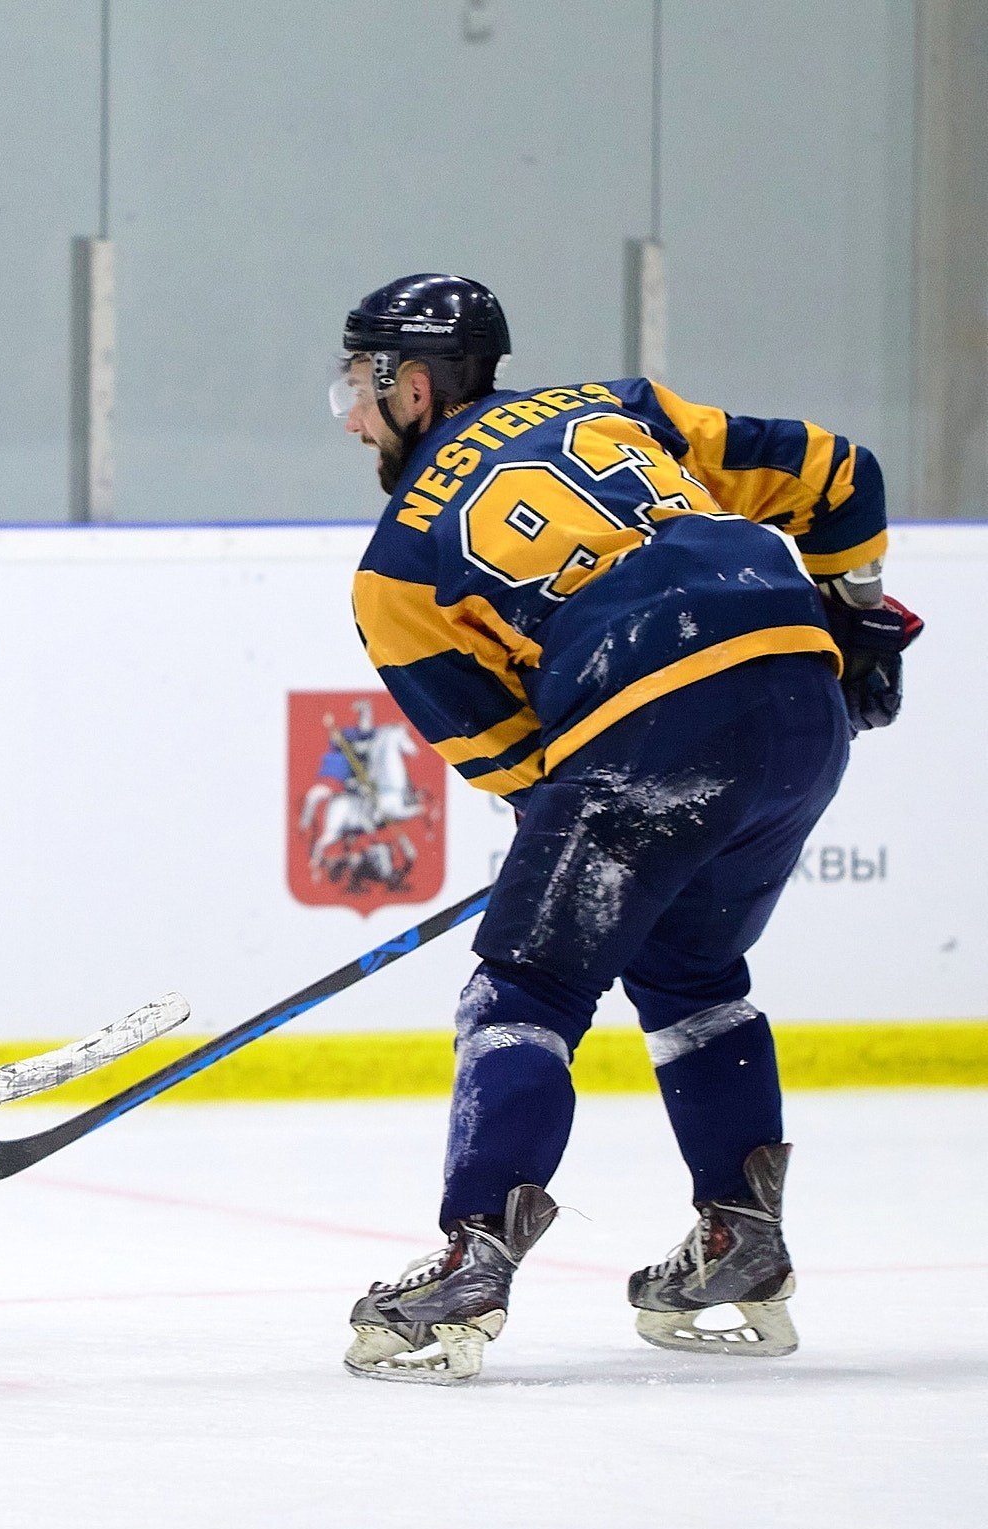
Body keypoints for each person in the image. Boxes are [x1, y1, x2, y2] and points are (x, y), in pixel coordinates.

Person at [327, 273, 923, 1384]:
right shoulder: (617, 409)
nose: (352, 416)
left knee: (524, 988)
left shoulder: (397, 568)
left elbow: (517, 764)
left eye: (356, 389)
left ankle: (471, 1261)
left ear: (409, 385)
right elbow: (841, 473)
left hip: (649, 718)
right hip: (802, 699)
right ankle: (739, 1243)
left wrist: (581, 837)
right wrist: (861, 622)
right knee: (691, 969)